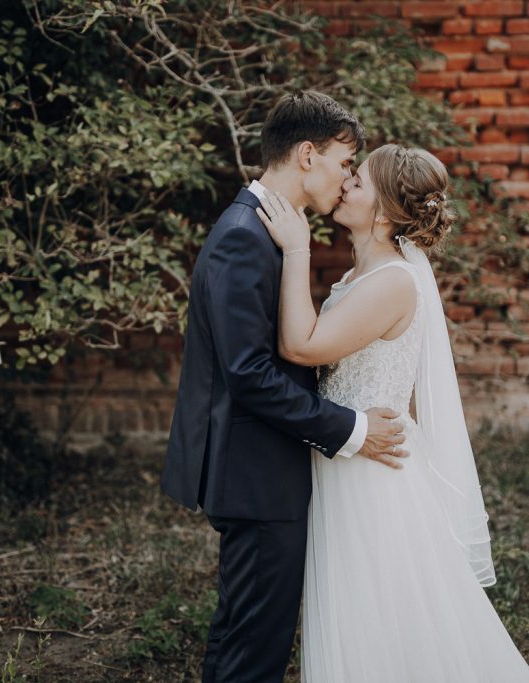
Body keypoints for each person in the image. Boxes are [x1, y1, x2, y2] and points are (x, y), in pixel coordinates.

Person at [256, 143, 529, 681]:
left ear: (384, 211)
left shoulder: (392, 281)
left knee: (381, 615)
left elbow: (301, 347)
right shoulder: (372, 271)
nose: (344, 186)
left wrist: (297, 252)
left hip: (370, 474)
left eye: (357, 182)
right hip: (351, 453)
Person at [161, 92, 410, 683]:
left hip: (266, 471)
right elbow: (249, 374)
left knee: (251, 639)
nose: (349, 177)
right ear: (307, 155)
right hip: (255, 475)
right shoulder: (243, 235)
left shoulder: (271, 229)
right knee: (252, 652)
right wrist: (352, 430)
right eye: (346, 162)